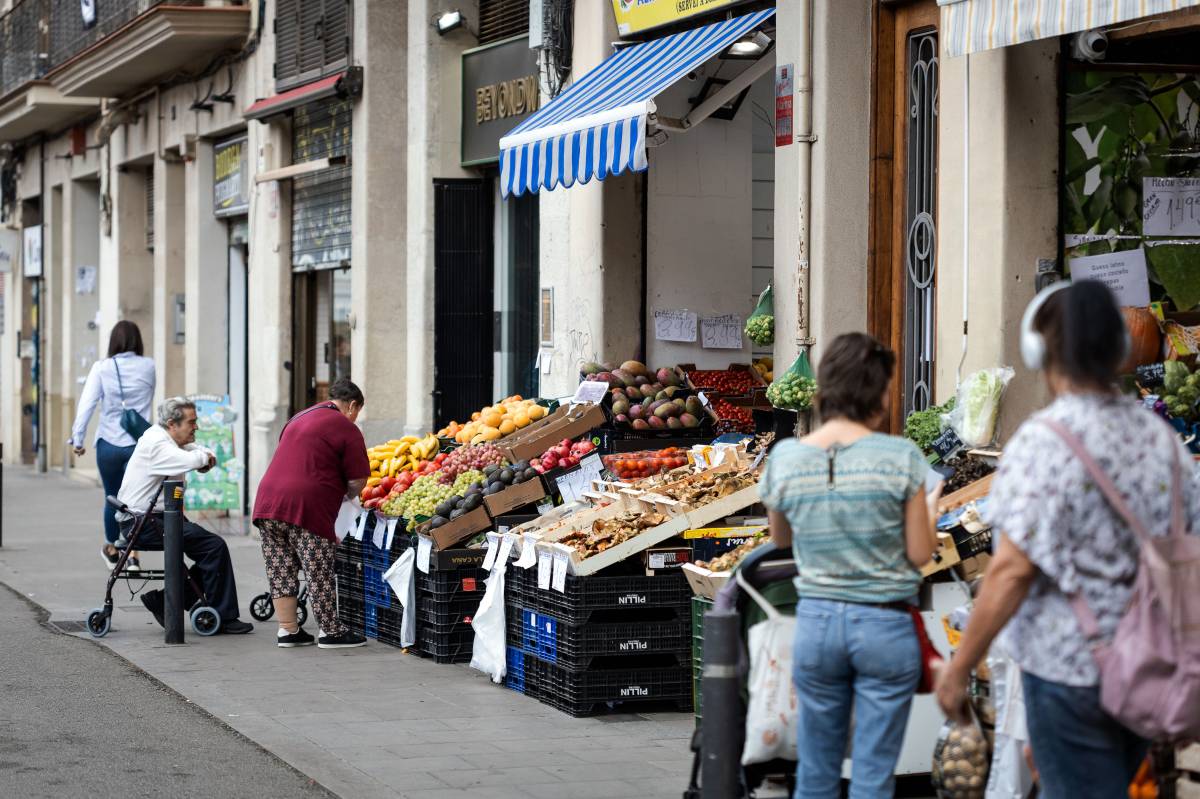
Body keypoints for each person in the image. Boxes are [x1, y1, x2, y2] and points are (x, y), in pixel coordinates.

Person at [935, 280, 1197, 798]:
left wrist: (959, 667)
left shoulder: (1043, 442)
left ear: (1040, 351)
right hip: (1146, 665)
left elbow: (1012, 570)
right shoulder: (1162, 440)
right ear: (1120, 349)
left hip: (1067, 671)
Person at [761, 332, 940, 799]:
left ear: (826, 389)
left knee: (815, 772)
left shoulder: (786, 458)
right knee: (873, 775)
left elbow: (781, 541)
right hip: (884, 626)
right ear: (879, 395)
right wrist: (930, 511)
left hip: (816, 623)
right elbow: (920, 553)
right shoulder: (902, 458)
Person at [116, 397, 252, 634]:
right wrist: (204, 458)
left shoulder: (165, 439)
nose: (196, 427)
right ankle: (223, 616)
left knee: (211, 550)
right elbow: (191, 457)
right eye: (191, 422)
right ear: (172, 424)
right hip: (143, 523)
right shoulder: (158, 445)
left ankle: (165, 600)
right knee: (214, 547)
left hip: (156, 518)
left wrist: (204, 455)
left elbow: (196, 450)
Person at [252, 377, 371, 649]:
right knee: (318, 567)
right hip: (306, 505)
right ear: (352, 405)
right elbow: (358, 479)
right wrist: (347, 496)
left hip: (268, 503)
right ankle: (330, 631)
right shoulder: (346, 426)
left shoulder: (298, 417)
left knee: (280, 567)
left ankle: (288, 630)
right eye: (358, 412)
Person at [70, 321, 155, 569]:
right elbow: (148, 398)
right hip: (138, 444)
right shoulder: (149, 366)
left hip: (108, 443)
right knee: (138, 502)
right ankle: (133, 556)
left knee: (112, 497)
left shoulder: (102, 367)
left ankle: (112, 547)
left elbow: (87, 404)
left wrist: (78, 439)